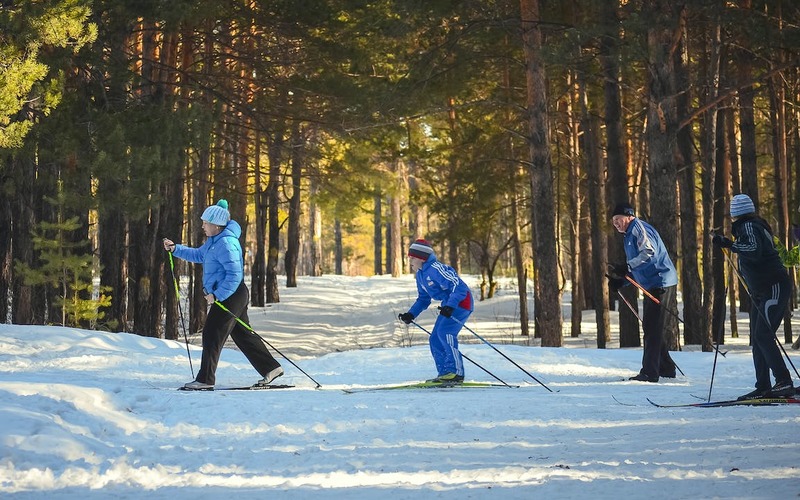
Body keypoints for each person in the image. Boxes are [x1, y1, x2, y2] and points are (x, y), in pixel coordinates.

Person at [163, 199, 283, 390]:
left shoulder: (226, 243)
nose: (202, 226)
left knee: (212, 333)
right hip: (232, 294)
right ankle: (272, 368)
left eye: (205, 223)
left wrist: (217, 295)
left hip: (231, 294)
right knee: (243, 334)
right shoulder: (214, 242)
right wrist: (176, 249)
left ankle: (205, 379)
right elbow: (198, 255)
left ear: (216, 225)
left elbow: (235, 275)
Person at [712, 193, 795, 400]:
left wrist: (729, 244)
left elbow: (754, 250)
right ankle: (763, 386)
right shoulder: (750, 226)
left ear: (735, 213)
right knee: (758, 339)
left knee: (763, 336)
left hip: (773, 287)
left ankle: (783, 381)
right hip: (762, 291)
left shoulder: (748, 225)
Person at [608, 202, 678, 382]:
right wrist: (621, 281)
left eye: (618, 219)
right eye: (613, 220)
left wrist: (626, 266)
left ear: (629, 216)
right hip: (651, 283)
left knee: (652, 328)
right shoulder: (628, 235)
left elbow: (649, 253)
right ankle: (666, 368)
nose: (615, 223)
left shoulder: (638, 228)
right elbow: (637, 266)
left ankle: (649, 372)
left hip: (660, 281)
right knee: (650, 326)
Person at [398, 239, 474, 384]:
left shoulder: (435, 269)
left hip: (461, 302)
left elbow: (458, 287)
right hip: (449, 304)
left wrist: (451, 306)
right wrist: (411, 314)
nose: (410, 261)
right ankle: (445, 373)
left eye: (412, 258)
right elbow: (423, 299)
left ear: (421, 258)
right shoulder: (420, 275)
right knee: (435, 338)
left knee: (445, 333)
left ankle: (456, 372)